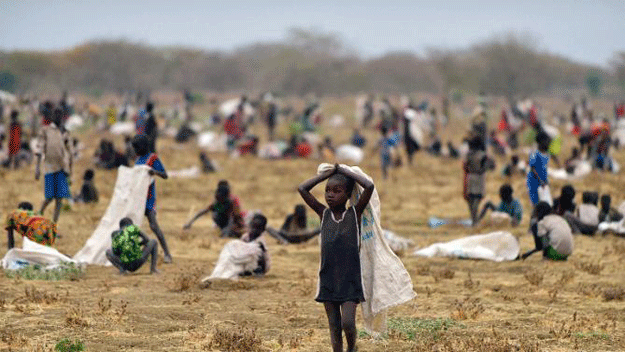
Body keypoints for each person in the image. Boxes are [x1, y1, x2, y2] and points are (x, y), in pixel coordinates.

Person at [298, 164, 374, 352]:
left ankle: (352, 348)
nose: (330, 195)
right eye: (327, 191)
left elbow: (369, 187)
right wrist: (328, 174)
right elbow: (302, 188)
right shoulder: (323, 213)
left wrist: (346, 172)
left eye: (337, 191)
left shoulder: (354, 214)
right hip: (329, 278)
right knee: (334, 327)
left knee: (348, 323)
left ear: (348, 195)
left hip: (350, 280)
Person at [132, 135, 172, 263]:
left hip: (148, 198)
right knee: (132, 226)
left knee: (154, 226)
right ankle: (143, 249)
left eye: (137, 148)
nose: (135, 150)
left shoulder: (152, 158)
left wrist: (154, 172)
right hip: (137, 198)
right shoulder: (138, 159)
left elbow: (165, 175)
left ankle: (167, 253)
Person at [35, 108, 72, 223]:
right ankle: (39, 214)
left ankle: (53, 226)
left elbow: (69, 152)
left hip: (62, 168)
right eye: (55, 115)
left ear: (62, 117)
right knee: (49, 197)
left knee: (59, 199)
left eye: (59, 115)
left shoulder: (65, 132)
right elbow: (40, 149)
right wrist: (37, 168)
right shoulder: (45, 130)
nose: (57, 117)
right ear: (51, 117)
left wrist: (71, 172)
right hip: (49, 168)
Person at [463, 136, 493, 226]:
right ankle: (475, 220)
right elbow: (486, 167)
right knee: (477, 198)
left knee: (471, 198)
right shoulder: (483, 155)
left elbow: (465, 166)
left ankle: (473, 218)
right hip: (479, 178)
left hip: (470, 177)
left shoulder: (469, 154)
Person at [526, 132, 551, 207]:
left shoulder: (547, 154)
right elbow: (533, 168)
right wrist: (540, 180)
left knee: (544, 203)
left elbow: (545, 168)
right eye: (546, 141)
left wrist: (545, 180)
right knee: (536, 204)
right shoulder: (535, 153)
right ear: (540, 142)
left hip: (543, 182)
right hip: (534, 182)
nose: (548, 143)